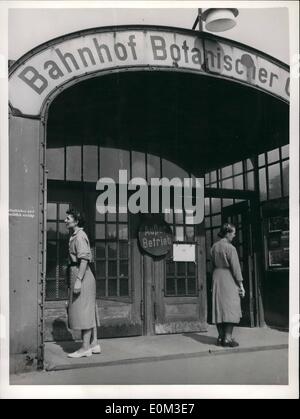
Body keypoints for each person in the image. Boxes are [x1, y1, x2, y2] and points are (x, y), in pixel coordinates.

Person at [65, 208, 101, 358]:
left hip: (82, 276)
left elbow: (84, 259)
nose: (65, 220)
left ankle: (85, 348)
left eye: (68, 218)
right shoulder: (76, 235)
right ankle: (94, 344)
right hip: (80, 274)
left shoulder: (79, 236)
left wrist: (79, 280)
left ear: (76, 221)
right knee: (87, 308)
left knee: (83, 310)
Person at [211, 223, 245, 347]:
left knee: (219, 307)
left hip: (216, 277)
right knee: (231, 307)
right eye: (233, 233)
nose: (234, 236)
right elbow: (236, 268)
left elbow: (212, 265)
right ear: (228, 233)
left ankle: (220, 337)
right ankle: (228, 338)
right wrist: (241, 285)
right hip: (228, 277)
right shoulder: (231, 248)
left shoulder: (214, 247)